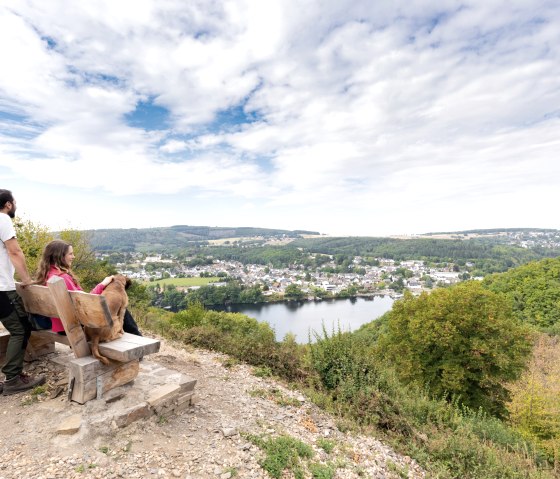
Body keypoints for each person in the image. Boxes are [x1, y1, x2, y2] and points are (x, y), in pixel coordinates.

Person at [35, 239, 142, 336]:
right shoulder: (62, 278)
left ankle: (135, 337)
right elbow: (85, 302)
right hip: (71, 325)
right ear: (60, 256)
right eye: (70, 254)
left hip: (59, 323)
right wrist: (103, 284)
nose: (73, 257)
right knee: (120, 305)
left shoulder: (46, 274)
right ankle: (138, 338)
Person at [0, 189, 46, 395]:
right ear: (8, 204)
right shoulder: (3, 219)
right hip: (2, 289)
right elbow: (15, 251)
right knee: (21, 328)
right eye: (15, 202)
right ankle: (12, 379)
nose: (15, 205)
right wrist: (26, 279)